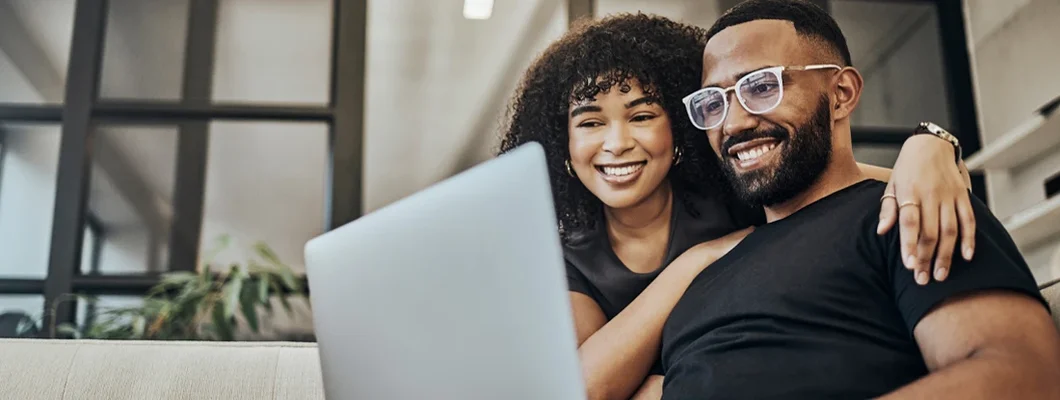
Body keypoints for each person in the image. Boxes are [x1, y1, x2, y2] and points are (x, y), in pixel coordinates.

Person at [497, 13, 979, 400]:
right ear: (560, 142)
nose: (617, 143)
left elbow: (848, 189)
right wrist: (700, 259)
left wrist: (930, 146)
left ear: (682, 130)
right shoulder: (562, 256)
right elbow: (587, 387)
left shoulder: (737, 190)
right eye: (590, 123)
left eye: (642, 115)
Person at [658, 1, 1060, 398]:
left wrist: (932, 144)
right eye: (713, 103)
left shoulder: (909, 210)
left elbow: (1023, 376)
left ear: (842, 94)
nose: (734, 122)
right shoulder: (702, 274)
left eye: (763, 87)